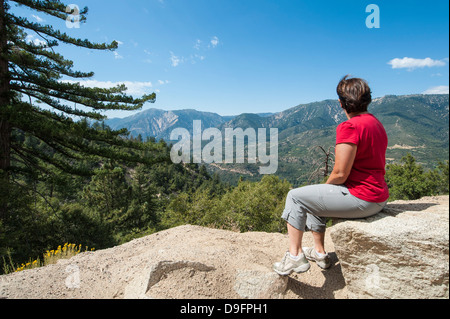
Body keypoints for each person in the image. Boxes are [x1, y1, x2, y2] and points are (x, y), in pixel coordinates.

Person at [273, 75, 389, 276]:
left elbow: (340, 173)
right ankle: (319, 253)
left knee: (295, 196)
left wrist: (327, 187)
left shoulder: (350, 126)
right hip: (378, 196)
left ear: (341, 102)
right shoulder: (375, 123)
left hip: (362, 198)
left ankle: (294, 257)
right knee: (315, 199)